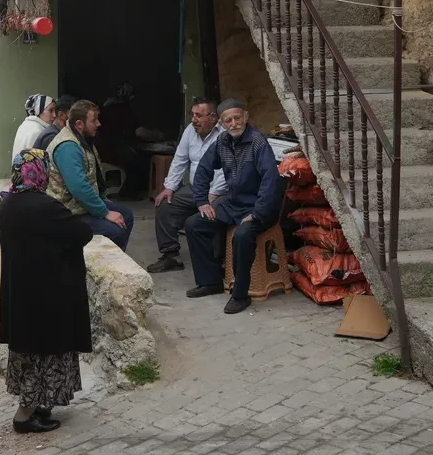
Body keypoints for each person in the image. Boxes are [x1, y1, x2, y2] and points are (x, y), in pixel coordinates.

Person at [0, 148, 93, 433]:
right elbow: (82, 233)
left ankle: (38, 407)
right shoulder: (46, 207)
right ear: (40, 172)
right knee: (44, 353)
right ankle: (23, 417)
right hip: (46, 298)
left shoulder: (8, 204)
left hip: (21, 296)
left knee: (29, 355)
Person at [183, 98, 282, 314]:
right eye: (228, 120)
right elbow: (202, 171)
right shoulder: (222, 142)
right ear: (222, 123)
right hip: (234, 203)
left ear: (245, 117)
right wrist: (201, 201)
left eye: (238, 117)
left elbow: (270, 181)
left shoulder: (258, 142)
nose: (234, 123)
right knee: (194, 224)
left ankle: (240, 294)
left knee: (242, 235)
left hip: (260, 207)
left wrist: (257, 213)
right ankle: (210, 282)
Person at [146, 98, 226, 273]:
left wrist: (212, 195)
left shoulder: (224, 135)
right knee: (165, 204)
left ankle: (216, 261)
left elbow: (226, 171)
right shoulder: (190, 131)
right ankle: (171, 256)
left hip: (219, 191)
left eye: (198, 115)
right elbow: (180, 159)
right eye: (192, 114)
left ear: (213, 117)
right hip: (196, 188)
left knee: (212, 214)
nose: (193, 119)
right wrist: (170, 187)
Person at [45, 100, 136, 250]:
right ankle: (105, 269)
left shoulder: (82, 140)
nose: (99, 124)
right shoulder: (68, 147)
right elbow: (79, 187)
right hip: (67, 212)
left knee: (126, 215)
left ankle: (113, 261)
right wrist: (104, 212)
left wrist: (102, 200)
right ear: (80, 124)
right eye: (94, 120)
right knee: (115, 230)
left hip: (80, 206)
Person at [12, 94, 56, 160]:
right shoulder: (37, 131)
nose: (54, 115)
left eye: (55, 111)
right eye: (51, 110)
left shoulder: (24, 125)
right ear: (38, 111)